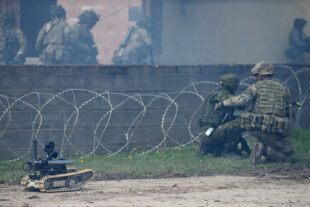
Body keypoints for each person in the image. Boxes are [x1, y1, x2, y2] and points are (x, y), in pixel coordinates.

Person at [215, 62, 294, 164]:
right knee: (288, 152)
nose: (255, 78)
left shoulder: (256, 86)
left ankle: (261, 147)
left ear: (263, 75)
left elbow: (241, 99)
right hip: (277, 128)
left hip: (258, 127)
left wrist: (222, 104)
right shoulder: (284, 88)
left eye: (256, 75)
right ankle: (262, 148)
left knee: (288, 152)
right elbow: (291, 107)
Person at [197, 73, 251, 158]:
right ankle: (228, 151)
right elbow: (240, 103)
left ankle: (209, 147)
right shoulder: (224, 95)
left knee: (232, 125)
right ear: (232, 85)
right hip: (212, 133)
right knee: (240, 123)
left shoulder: (214, 94)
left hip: (208, 133)